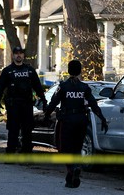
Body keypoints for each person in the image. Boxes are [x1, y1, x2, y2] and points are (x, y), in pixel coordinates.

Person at [44, 60, 108, 188]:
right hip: (81, 121)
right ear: (80, 71)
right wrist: (102, 118)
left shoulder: (63, 87)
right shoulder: (84, 88)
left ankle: (72, 169)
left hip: (67, 121)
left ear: (68, 70)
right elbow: (93, 104)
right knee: (77, 148)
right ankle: (72, 173)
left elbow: (53, 102)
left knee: (65, 149)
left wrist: (46, 115)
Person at [0, 46, 47, 153]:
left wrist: (43, 100)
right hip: (13, 105)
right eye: (16, 53)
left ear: (23, 55)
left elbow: (37, 86)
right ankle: (11, 152)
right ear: (13, 55)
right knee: (13, 130)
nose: (19, 55)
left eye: (21, 53)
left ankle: (26, 152)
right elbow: (0, 87)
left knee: (27, 130)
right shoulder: (7, 71)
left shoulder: (30, 70)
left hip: (27, 104)